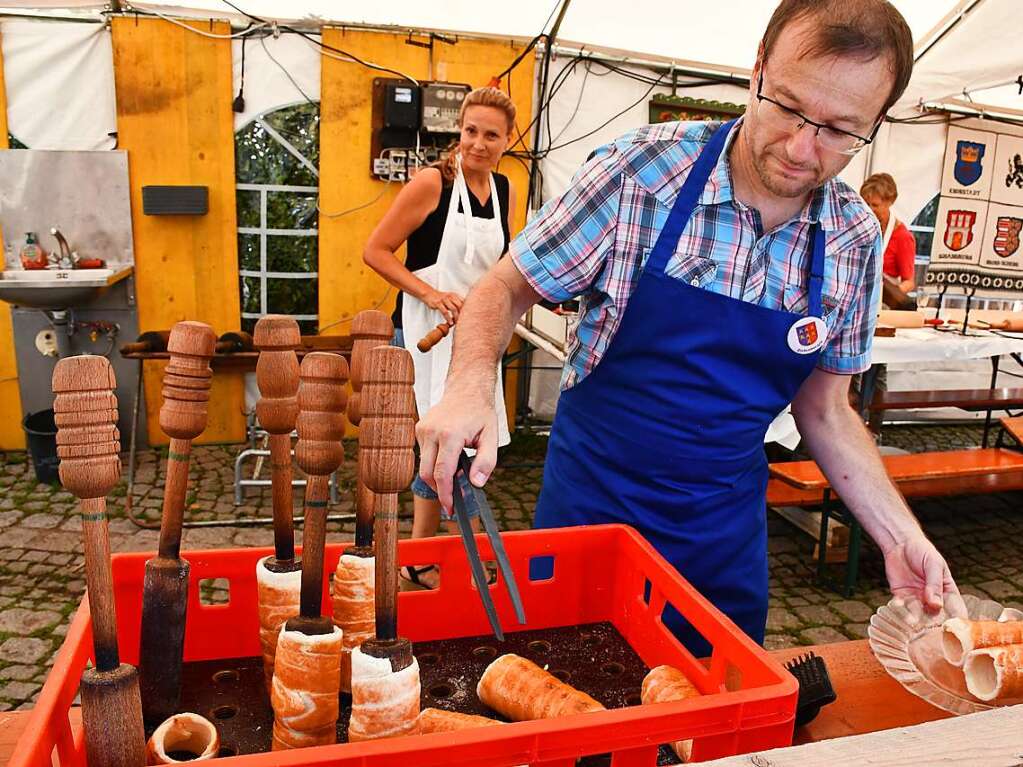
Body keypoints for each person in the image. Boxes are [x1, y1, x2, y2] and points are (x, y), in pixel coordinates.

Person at [415, 0, 962, 653]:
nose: (800, 147)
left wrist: (901, 538)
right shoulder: (640, 174)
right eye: (787, 107)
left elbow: (825, 409)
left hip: (720, 540)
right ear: (756, 70)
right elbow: (504, 286)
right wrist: (469, 379)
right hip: (592, 514)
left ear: (874, 124)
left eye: (840, 130)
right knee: (563, 699)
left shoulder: (851, 237)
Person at [363, 86, 516, 587]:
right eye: (470, 131)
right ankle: (465, 555)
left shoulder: (505, 191)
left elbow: (501, 269)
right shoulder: (432, 183)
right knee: (442, 437)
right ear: (460, 130)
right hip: (428, 330)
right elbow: (377, 251)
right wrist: (431, 294)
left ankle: (419, 553)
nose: (477, 143)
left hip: (474, 335)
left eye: (490, 135)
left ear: (506, 140)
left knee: (469, 437)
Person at [860, 172, 917, 294]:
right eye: (866, 204)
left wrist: (887, 294)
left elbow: (909, 282)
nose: (869, 209)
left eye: (875, 205)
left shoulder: (902, 236)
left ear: (890, 202)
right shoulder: (860, 226)